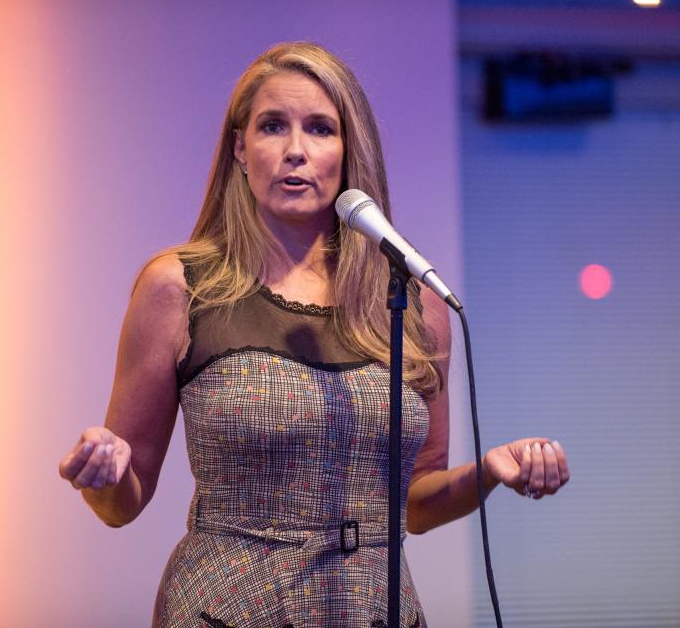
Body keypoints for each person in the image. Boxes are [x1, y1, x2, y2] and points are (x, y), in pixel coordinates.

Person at [58, 41, 569, 628]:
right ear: (240, 150)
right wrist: (106, 473)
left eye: (320, 129)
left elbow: (418, 503)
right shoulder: (180, 287)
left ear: (349, 153)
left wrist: (488, 474)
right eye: (272, 126)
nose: (295, 151)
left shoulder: (414, 297)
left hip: (376, 611)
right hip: (228, 610)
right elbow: (122, 504)